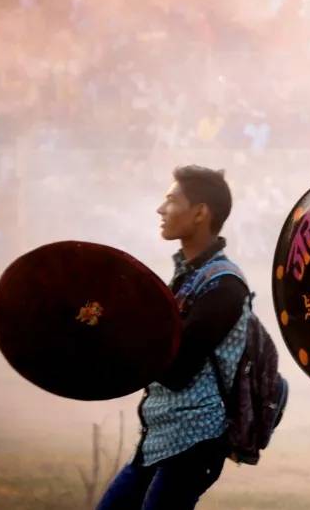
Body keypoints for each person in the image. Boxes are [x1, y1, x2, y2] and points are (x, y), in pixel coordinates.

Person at [98, 166, 250, 510]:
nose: (160, 209)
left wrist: (119, 336)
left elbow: (177, 368)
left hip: (196, 440)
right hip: (160, 437)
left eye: (170, 200)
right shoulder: (188, 276)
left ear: (200, 213)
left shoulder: (225, 285)